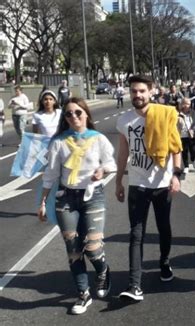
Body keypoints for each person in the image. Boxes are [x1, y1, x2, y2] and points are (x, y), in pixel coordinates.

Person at [37, 97, 116, 315]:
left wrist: (103, 171)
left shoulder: (98, 139)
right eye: (69, 114)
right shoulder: (59, 141)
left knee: (92, 248)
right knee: (73, 250)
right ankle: (83, 294)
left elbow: (111, 163)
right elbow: (51, 174)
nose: (74, 117)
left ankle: (103, 269)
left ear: (86, 114)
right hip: (66, 199)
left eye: (78, 113)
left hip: (93, 196)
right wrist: (43, 202)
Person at [115, 75, 182, 301]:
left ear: (151, 92)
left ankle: (164, 262)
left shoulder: (164, 114)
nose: (138, 95)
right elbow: (123, 152)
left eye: (142, 91)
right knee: (136, 233)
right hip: (137, 184)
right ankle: (135, 285)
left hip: (162, 184)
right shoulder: (124, 121)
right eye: (134, 91)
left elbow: (176, 147)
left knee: (164, 228)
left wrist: (176, 175)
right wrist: (118, 181)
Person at [177, 97, 195, 174]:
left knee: (193, 150)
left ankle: (193, 160)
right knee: (184, 151)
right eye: (185, 103)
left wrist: (193, 129)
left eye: (188, 104)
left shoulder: (192, 112)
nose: (186, 105)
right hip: (182, 135)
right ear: (182, 104)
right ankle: (186, 166)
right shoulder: (178, 113)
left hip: (191, 134)